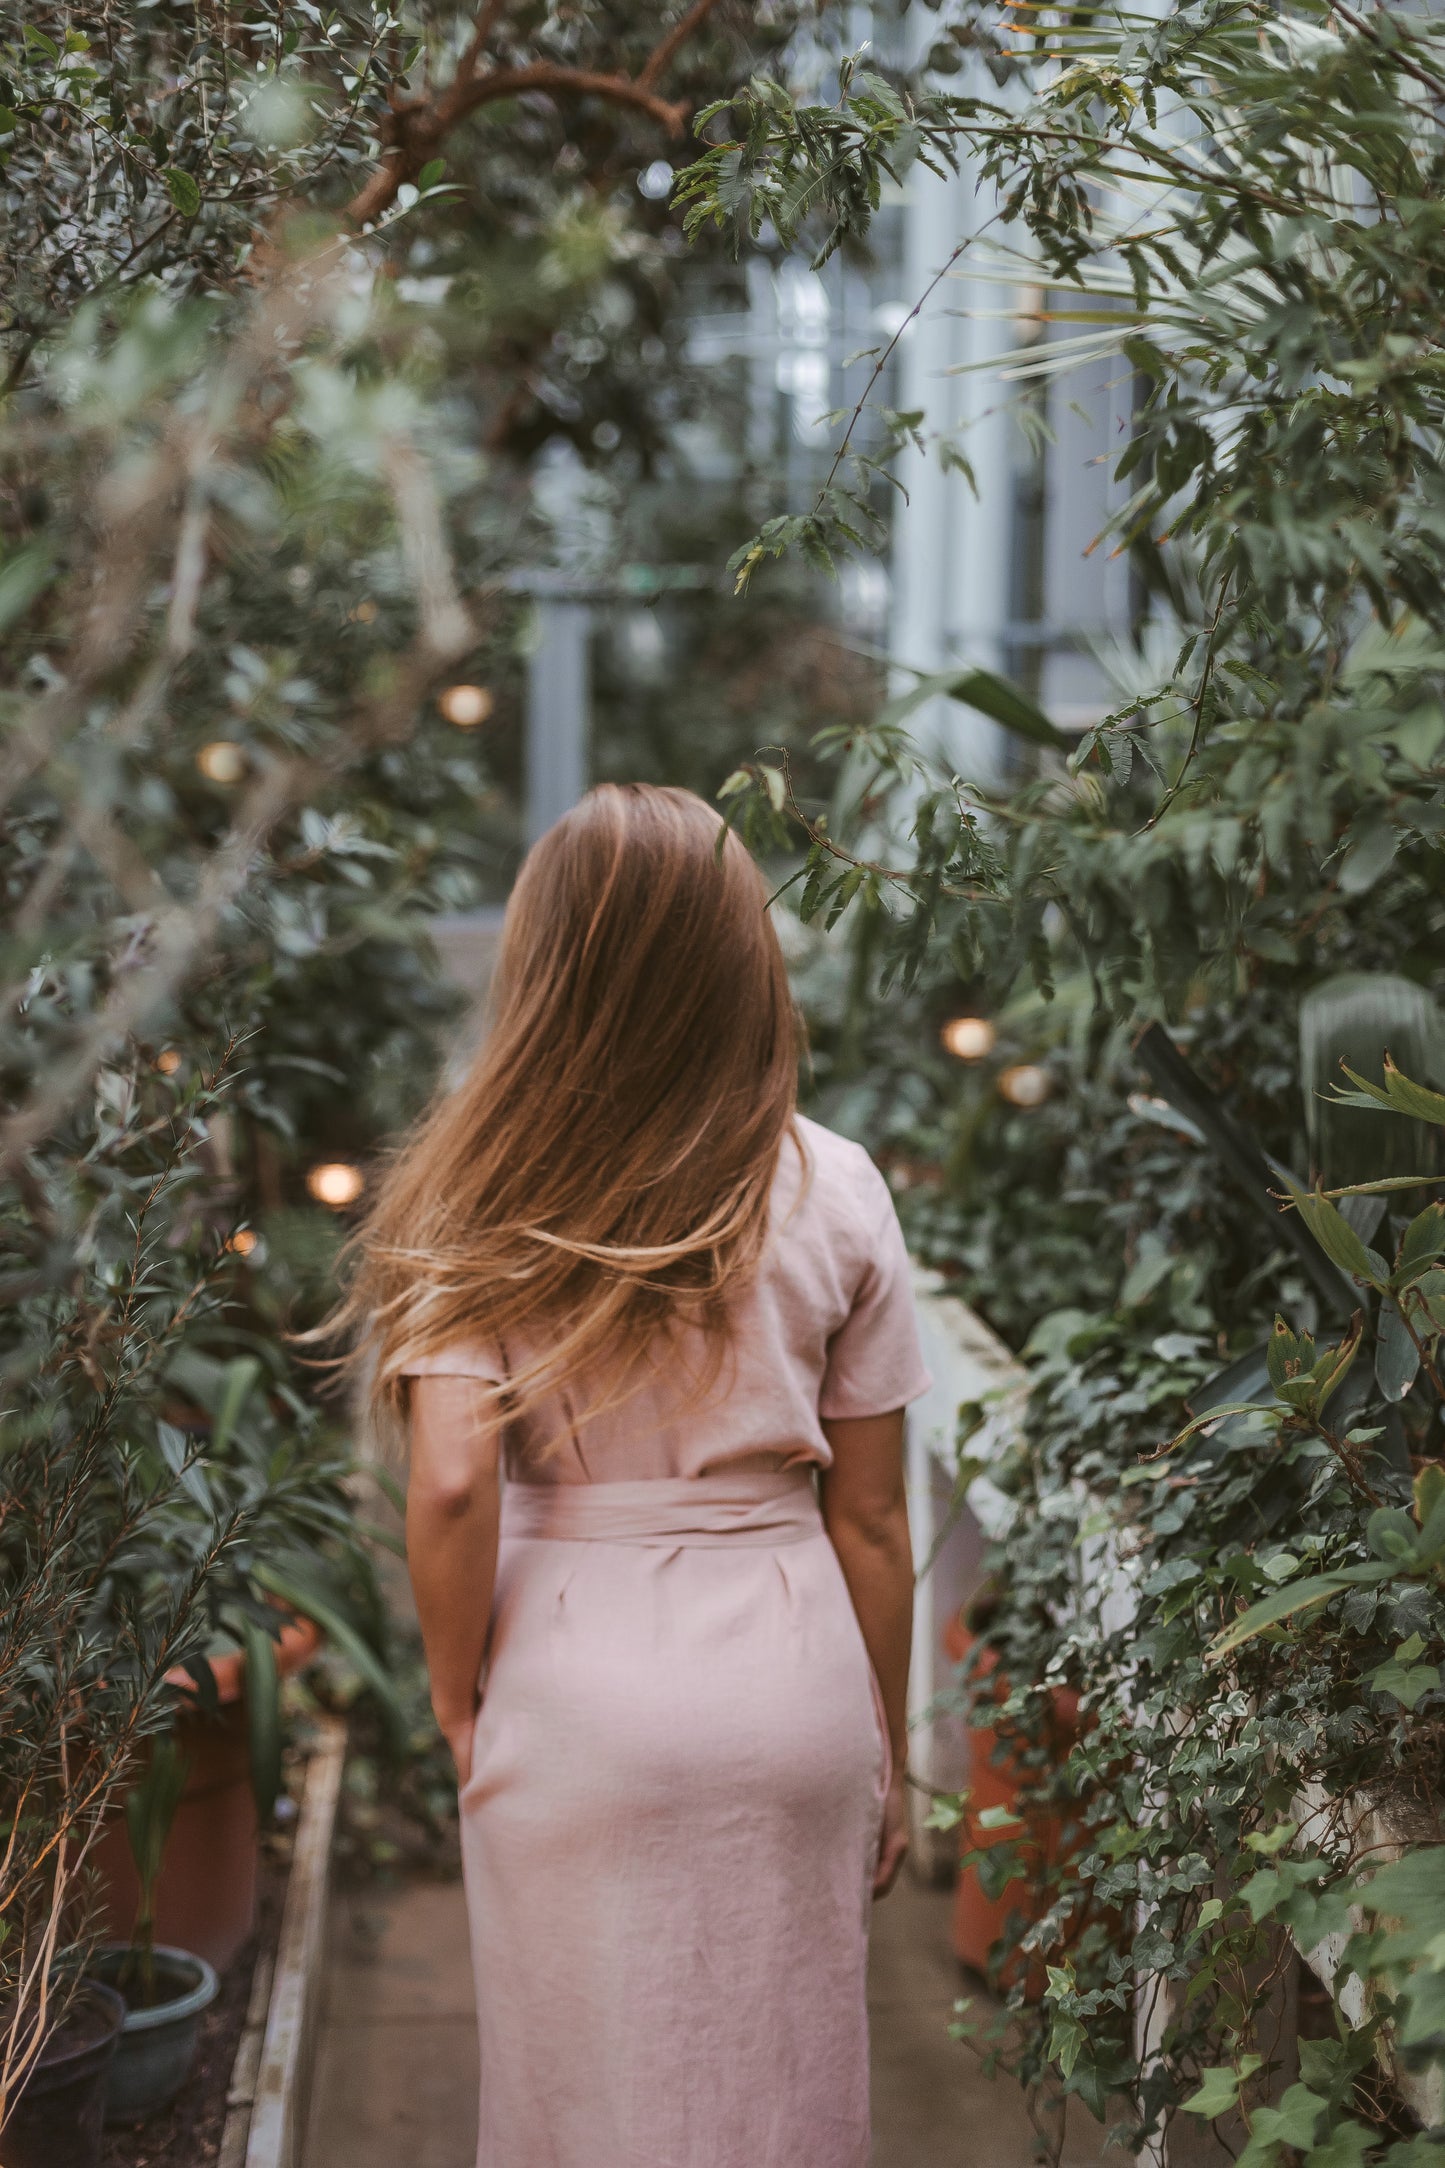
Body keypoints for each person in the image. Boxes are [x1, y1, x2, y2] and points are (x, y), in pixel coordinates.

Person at [342, 782, 932, 2168]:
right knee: (775, 2087)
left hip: (570, 1683)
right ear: (740, 955)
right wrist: (885, 1751)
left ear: (542, 965)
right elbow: (869, 1515)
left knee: (578, 2090)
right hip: (788, 1678)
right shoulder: (836, 1184)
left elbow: (446, 1487)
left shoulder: (472, 1191)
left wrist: (451, 1697)